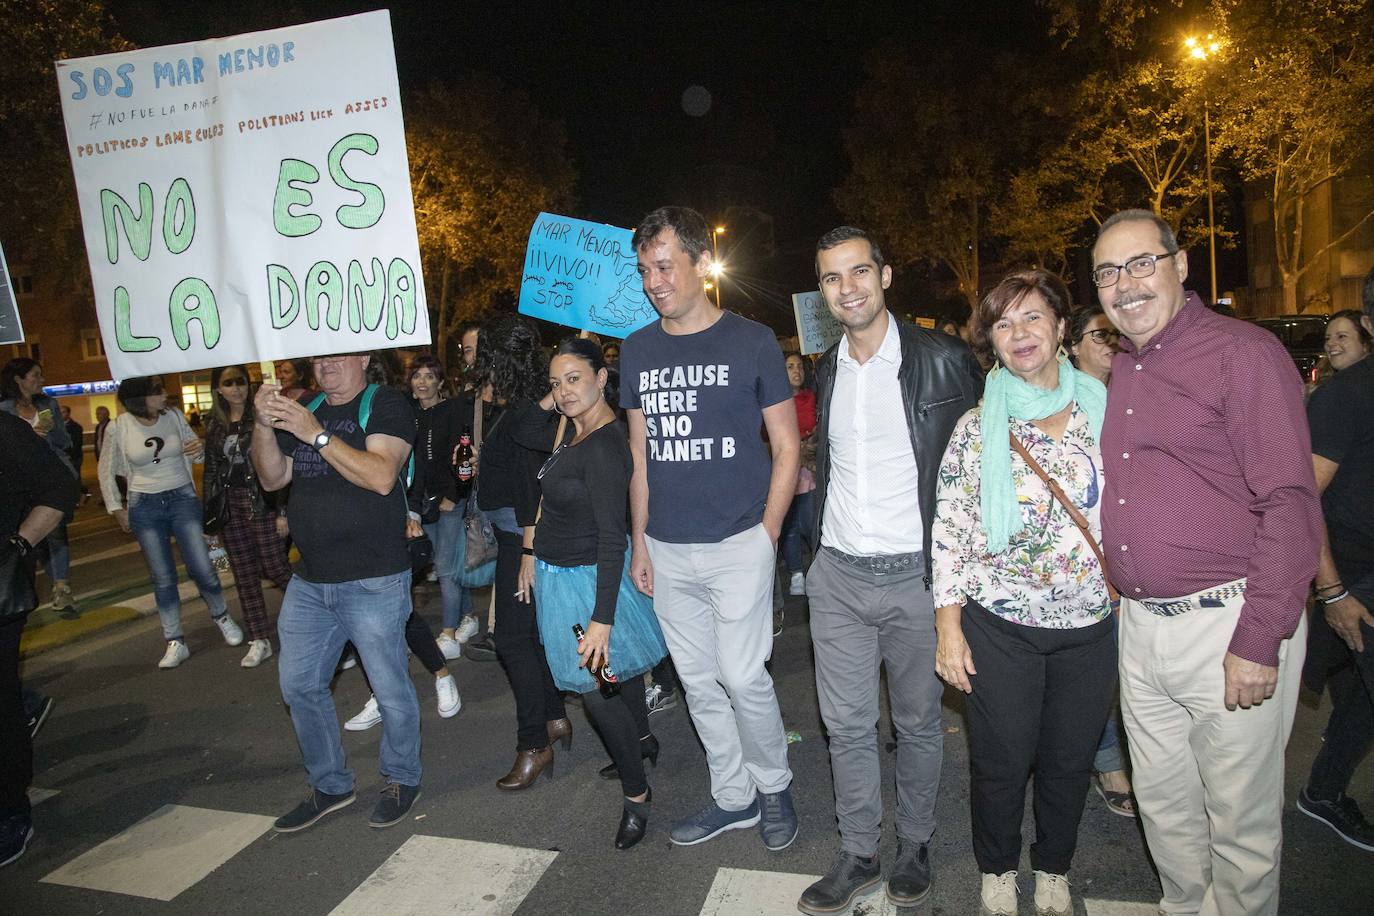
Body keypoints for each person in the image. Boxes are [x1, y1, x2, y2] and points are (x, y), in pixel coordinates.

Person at [1094, 209, 1321, 915]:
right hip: (1142, 632)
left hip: (1226, 628)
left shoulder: (1242, 353)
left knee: (1241, 832)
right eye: (1107, 272)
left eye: (1140, 264)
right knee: (1166, 816)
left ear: (1180, 264)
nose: (1124, 285)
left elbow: (1290, 500)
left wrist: (1259, 640)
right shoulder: (1124, 370)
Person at [797, 228, 983, 916]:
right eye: (831, 278)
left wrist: (959, 581)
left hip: (918, 578)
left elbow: (969, 474)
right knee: (844, 726)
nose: (847, 288)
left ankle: (914, 845)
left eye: (858, 272)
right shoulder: (826, 368)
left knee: (917, 723)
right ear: (821, 292)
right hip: (839, 577)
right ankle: (859, 850)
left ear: (886, 275)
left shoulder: (942, 359)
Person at [931, 270, 1113, 916]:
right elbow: (950, 532)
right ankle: (999, 869)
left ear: (1063, 327)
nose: (1019, 334)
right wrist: (948, 628)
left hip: (1092, 626)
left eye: (1032, 317)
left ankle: (1055, 868)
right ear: (993, 343)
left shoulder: (1107, 411)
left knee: (1068, 761)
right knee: (1001, 763)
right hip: (999, 626)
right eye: (1003, 324)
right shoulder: (976, 428)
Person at [622, 205, 801, 850]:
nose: (654, 281)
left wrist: (768, 532)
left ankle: (775, 784)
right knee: (697, 681)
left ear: (701, 264)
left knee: (744, 675)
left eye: (665, 266)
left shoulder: (751, 341)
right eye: (645, 270)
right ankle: (735, 797)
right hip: (668, 548)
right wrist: (640, 543)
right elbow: (641, 459)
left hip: (738, 542)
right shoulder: (637, 350)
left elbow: (787, 446)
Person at [251, 353, 423, 831]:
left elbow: (382, 475)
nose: (325, 367)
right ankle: (330, 783)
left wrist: (315, 434)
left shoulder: (385, 403)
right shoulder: (307, 408)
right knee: (299, 685)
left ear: (364, 357)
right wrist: (264, 425)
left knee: (388, 687)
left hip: (373, 579)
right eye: (318, 358)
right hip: (310, 582)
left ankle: (402, 776)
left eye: (336, 356)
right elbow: (272, 478)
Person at [532, 337, 668, 848]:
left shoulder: (607, 445)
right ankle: (643, 740)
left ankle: (637, 795)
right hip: (558, 574)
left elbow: (614, 537)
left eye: (574, 379)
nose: (563, 392)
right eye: (554, 383)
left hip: (589, 586)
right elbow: (526, 426)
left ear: (602, 378)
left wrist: (602, 618)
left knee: (595, 691)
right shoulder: (573, 431)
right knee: (620, 679)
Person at [475, 316, 571, 790]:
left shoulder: (536, 404)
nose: (473, 363)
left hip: (526, 540)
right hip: (515, 536)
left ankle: (535, 744)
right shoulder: (514, 401)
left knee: (515, 641)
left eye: (479, 354)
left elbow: (536, 471)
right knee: (533, 638)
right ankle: (554, 717)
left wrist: (529, 550)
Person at [1296, 306, 1374, 850]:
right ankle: (1323, 792)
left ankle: (1324, 789)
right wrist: (1334, 591)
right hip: (1359, 577)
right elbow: (1302, 499)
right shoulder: (1346, 395)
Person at [98, 376, 243, 668]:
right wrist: (116, 507)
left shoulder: (175, 416)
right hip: (144, 504)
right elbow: (105, 469)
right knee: (163, 577)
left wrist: (198, 449)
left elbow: (198, 452)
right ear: (140, 398)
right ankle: (175, 639)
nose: (165, 395)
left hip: (182, 498)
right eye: (157, 392)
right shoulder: (119, 426)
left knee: (203, 567)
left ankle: (222, 616)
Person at [1065, 306, 1137, 819]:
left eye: (1114, 335)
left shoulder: (1135, 393)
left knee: (1135, 667)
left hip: (1139, 550)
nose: (1109, 343)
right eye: (1098, 335)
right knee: (1101, 669)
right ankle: (1109, 761)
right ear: (1072, 345)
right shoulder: (1060, 402)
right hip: (1086, 557)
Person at [1, 410, 79, 868]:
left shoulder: (5, 431)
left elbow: (59, 486)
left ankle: (10, 809)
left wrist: (19, 545)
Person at [202, 366, 294, 668]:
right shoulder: (214, 423)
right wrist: (210, 521)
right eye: (228, 383)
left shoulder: (262, 416)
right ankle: (259, 638)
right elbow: (212, 473)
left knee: (276, 567)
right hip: (230, 505)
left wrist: (282, 511)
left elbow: (280, 463)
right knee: (243, 573)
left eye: (241, 381)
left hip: (262, 501)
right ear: (218, 389)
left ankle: (318, 615)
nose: (236, 388)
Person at [406, 356, 480, 656]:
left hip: (451, 501)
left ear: (439, 382)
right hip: (423, 504)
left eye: (429, 376)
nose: (422, 382)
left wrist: (454, 494)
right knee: (442, 564)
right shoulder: (410, 416)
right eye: (417, 376)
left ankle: (448, 635)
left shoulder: (451, 411)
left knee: (447, 569)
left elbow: (462, 457)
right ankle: (469, 616)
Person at [1, 358, 78, 615]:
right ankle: (15, 586)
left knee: (55, 532)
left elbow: (64, 441)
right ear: (18, 379)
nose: (41, 380)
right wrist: (24, 439)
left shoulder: (48, 404)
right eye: (35, 375)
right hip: (19, 484)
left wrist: (50, 432)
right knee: (22, 536)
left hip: (50, 477)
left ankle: (62, 587)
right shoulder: (5, 410)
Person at [779, 351, 817, 599]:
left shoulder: (811, 398)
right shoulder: (776, 402)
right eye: (790, 366)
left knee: (811, 524)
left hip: (810, 474)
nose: (796, 371)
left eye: (799, 367)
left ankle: (816, 571)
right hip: (786, 476)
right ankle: (796, 574)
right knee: (790, 528)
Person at [1322, 309, 1372, 374]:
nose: (1330, 343)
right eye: (1327, 338)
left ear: (1365, 344)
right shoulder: (1328, 382)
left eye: (1341, 336)